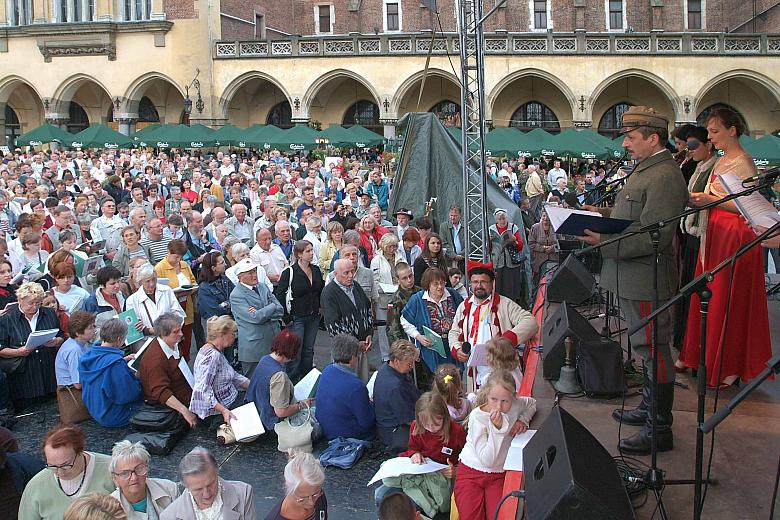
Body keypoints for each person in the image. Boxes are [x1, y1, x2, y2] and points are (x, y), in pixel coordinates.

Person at [577, 106, 688, 455]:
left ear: (653, 138)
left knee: (654, 347)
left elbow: (655, 234)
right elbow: (632, 217)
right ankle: (650, 408)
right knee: (643, 345)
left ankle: (660, 427)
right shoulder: (648, 170)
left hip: (647, 279)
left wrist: (603, 241)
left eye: (631, 137)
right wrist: (602, 214)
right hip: (634, 277)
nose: (625, 143)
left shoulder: (665, 176)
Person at [679, 108, 773, 389]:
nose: (710, 137)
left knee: (727, 297)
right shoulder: (722, 161)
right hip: (716, 230)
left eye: (715, 131)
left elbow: (745, 204)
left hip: (733, 233)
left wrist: (707, 199)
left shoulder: (743, 161)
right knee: (711, 294)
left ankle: (727, 363)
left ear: (733, 130)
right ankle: (704, 357)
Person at [453, 371, 537, 520]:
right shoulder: (477, 417)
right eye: (494, 399)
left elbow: (532, 403)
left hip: (498, 473)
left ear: (513, 396)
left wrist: (522, 420)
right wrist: (497, 429)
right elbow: (487, 460)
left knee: (499, 515)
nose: (499, 406)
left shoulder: (516, 405)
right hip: (472, 471)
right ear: (487, 395)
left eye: (505, 401)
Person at [448, 262, 538, 393]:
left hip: (503, 369)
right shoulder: (464, 305)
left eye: (483, 282)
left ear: (492, 283)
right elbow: (454, 332)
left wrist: (506, 340)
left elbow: (531, 322)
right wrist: (457, 349)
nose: (479, 286)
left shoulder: (504, 304)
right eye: (475, 282)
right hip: (477, 371)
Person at [374, 392, 466, 515]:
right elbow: (413, 447)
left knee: (415, 505)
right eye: (426, 425)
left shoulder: (456, 432)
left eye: (437, 424)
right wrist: (414, 454)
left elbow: (469, 459)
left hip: (442, 477)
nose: (432, 428)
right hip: (419, 471)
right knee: (380, 495)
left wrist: (456, 470)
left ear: (445, 417)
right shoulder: (416, 427)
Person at [673, 125, 717, 356]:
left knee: (693, 288)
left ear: (708, 145)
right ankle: (684, 343)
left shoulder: (711, 168)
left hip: (699, 235)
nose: (688, 150)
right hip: (687, 232)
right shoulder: (697, 166)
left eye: (693, 145)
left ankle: (690, 347)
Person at [18, 424, 115, 520]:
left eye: (66, 465)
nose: (60, 472)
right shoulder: (36, 485)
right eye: (52, 466)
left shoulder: (112, 469)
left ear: (80, 452)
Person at [0, 282, 64, 405]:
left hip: (49, 375)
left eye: (38, 303)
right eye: (30, 303)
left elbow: (61, 335)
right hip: (23, 380)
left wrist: (56, 341)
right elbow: (1, 347)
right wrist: (18, 352)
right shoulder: (6, 318)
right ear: (20, 300)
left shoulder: (49, 313)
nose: (34, 307)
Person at [274, 240, 324, 383]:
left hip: (314, 315)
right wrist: (286, 316)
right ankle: (293, 381)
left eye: (311, 250)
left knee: (309, 349)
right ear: (299, 254)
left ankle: (307, 379)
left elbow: (320, 289)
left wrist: (320, 307)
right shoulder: (289, 272)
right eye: (308, 251)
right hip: (297, 317)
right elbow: (280, 294)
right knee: (296, 350)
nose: (311, 253)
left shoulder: (315, 270)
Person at [78, 318, 142, 428]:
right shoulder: (115, 365)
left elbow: (102, 370)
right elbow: (128, 395)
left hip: (95, 411)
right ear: (118, 340)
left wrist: (122, 360)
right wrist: (139, 378)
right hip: (114, 416)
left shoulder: (88, 356)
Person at [401, 268, 464, 378]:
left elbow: (465, 315)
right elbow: (405, 320)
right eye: (435, 284)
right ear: (427, 285)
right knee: (437, 382)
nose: (440, 287)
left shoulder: (453, 295)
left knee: (454, 380)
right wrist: (418, 336)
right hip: (431, 349)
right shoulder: (418, 299)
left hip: (452, 347)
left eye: (442, 283)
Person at [161, 447, 255, 520]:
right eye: (198, 489)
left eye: (211, 484)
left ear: (217, 472)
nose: (207, 494)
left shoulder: (243, 493)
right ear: (186, 486)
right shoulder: (170, 516)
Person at [246, 330, 312, 433]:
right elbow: (281, 412)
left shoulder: (265, 359)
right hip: (270, 423)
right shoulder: (279, 376)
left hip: (257, 412)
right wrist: (302, 405)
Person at [139, 313, 197, 429]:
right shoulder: (155, 360)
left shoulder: (173, 343)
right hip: (167, 407)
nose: (181, 334)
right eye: (176, 332)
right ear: (163, 334)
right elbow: (161, 392)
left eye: (180, 330)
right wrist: (185, 412)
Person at [189, 316, 250, 427]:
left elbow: (234, 376)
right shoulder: (212, 356)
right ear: (223, 334)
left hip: (231, 398)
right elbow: (202, 390)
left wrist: (253, 385)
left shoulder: (213, 350)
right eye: (233, 334)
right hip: (222, 408)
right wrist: (223, 411)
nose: (235, 337)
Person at [229, 258, 284, 378]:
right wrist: (271, 306)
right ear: (240, 277)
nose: (254, 275)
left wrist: (264, 312)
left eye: (255, 271)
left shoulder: (263, 286)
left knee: (276, 381)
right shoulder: (236, 295)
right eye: (250, 273)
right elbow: (256, 318)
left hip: (274, 342)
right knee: (254, 383)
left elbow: (280, 310)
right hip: (254, 349)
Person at [321, 259, 374, 382]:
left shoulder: (356, 286)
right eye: (346, 273)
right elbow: (334, 325)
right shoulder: (329, 293)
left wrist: (369, 334)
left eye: (352, 271)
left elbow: (367, 310)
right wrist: (355, 344)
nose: (350, 276)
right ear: (335, 274)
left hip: (362, 346)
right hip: (345, 352)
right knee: (346, 382)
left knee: (362, 381)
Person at [314, 334, 375, 441]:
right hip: (347, 434)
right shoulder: (356, 386)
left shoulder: (327, 370)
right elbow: (367, 422)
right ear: (352, 358)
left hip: (326, 426)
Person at [108, 440, 179, 520]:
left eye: (139, 469)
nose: (134, 478)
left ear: (147, 468)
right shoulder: (108, 509)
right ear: (115, 478)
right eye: (125, 473)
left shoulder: (170, 489)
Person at [373, 340, 421, 452]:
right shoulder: (395, 387)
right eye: (409, 364)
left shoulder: (386, 368)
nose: (411, 366)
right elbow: (409, 420)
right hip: (395, 433)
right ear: (396, 361)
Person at [154, 240, 197, 360]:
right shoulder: (159, 268)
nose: (178, 260)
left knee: (186, 339)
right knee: (173, 339)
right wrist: (175, 294)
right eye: (176, 257)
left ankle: (186, 362)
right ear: (168, 252)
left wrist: (192, 289)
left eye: (181, 257)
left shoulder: (184, 265)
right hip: (170, 310)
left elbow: (193, 281)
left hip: (186, 305)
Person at [125, 264, 185, 342]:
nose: (152, 284)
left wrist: (171, 328)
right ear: (140, 282)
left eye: (154, 279)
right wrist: (149, 330)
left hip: (170, 338)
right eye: (147, 281)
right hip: (149, 341)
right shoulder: (132, 300)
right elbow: (134, 326)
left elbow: (178, 313)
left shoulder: (166, 290)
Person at [265, 451, 327, 520]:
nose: (311, 503)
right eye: (303, 499)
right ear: (289, 490)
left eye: (315, 495)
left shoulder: (317, 494)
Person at [371, 233, 402, 362]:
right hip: (383, 297)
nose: (392, 249)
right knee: (383, 328)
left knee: (398, 326)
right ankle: (385, 356)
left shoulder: (400, 257)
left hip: (398, 296)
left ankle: (399, 353)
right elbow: (375, 280)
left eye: (394, 246)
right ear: (383, 246)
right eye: (389, 246)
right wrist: (384, 288)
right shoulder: (376, 260)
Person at [489, 208, 528, 309]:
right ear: (496, 220)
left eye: (504, 218)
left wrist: (513, 241)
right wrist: (489, 241)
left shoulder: (513, 228)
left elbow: (520, 246)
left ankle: (510, 308)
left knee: (510, 288)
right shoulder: (490, 229)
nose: (502, 221)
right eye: (500, 219)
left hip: (512, 263)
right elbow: (486, 248)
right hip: (497, 263)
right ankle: (497, 308)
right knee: (498, 287)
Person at [196, 251, 235, 337]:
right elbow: (215, 311)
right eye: (222, 263)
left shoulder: (225, 279)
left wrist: (225, 304)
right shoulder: (204, 288)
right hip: (216, 328)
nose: (225, 264)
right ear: (213, 268)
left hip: (230, 323)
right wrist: (231, 305)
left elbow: (237, 296)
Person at [54, 311, 96, 388]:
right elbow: (78, 384)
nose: (94, 330)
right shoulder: (74, 350)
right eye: (90, 328)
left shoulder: (84, 342)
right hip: (72, 393)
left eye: (94, 326)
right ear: (77, 333)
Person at [83, 266, 126, 338]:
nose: (117, 286)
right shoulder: (92, 303)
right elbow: (86, 329)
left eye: (118, 282)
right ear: (102, 285)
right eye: (112, 284)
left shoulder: (121, 295)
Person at [528, 209, 559, 285]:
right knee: (538, 284)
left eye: (548, 216)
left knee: (551, 283)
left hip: (553, 260)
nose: (546, 218)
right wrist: (543, 248)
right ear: (541, 216)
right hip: (538, 261)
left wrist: (553, 248)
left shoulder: (556, 226)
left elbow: (561, 243)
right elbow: (531, 244)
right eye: (544, 216)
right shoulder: (535, 227)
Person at [439, 205, 465, 271]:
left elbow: (470, 242)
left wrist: (462, 254)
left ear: (460, 215)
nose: (453, 218)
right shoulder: (444, 226)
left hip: (463, 260)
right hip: (449, 261)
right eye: (451, 215)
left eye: (455, 216)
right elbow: (443, 243)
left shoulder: (466, 226)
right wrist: (454, 256)